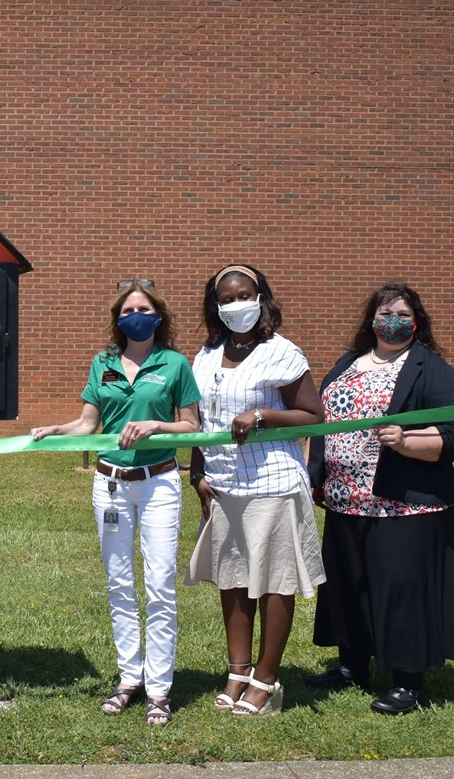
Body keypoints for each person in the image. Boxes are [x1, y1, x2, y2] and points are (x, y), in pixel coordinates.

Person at [32, 278, 200, 726]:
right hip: (110, 485)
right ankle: (131, 677)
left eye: (143, 309)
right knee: (119, 583)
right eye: (127, 311)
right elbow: (89, 423)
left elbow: (192, 426)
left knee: (160, 584)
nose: (135, 316)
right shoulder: (102, 362)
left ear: (158, 316)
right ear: (118, 319)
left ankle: (160, 688)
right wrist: (55, 430)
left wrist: (155, 426)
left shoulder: (176, 364)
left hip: (159, 483)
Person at [307, 283, 454, 715]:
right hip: (346, 499)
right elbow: (324, 423)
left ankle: (406, 680)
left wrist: (407, 442)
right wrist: (317, 476)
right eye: (385, 312)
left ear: (416, 321)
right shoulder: (348, 363)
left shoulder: (430, 369)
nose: (392, 320)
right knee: (349, 585)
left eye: (402, 313)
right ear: (371, 318)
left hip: (404, 504)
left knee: (399, 588)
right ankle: (351, 665)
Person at [184, 264, 323, 717]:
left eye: (244, 295)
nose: (235, 305)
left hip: (273, 483)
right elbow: (199, 421)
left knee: (274, 583)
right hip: (224, 485)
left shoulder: (282, 352)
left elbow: (312, 415)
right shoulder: (206, 354)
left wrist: (264, 415)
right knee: (234, 581)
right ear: (216, 306)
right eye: (225, 299)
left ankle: (266, 679)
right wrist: (197, 474)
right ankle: (237, 672)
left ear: (261, 298)